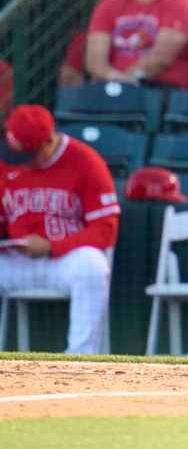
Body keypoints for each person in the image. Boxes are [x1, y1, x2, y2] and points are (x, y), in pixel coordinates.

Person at [0, 105, 120, 355]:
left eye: (27, 156)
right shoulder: (5, 162)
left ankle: (79, 357)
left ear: (47, 143)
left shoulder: (85, 161)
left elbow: (106, 230)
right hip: (17, 260)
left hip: (65, 259)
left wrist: (52, 246)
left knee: (93, 266)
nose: (19, 163)